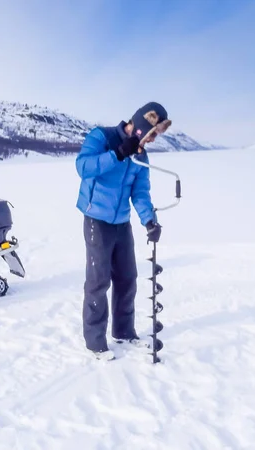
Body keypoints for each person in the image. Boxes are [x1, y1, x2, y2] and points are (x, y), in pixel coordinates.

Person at [75, 102, 172, 360]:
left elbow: (139, 192)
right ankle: (95, 342)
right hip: (96, 219)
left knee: (128, 278)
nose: (152, 140)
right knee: (98, 282)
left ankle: (124, 332)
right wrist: (117, 154)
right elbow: (83, 167)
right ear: (141, 126)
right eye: (152, 134)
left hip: (121, 222)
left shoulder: (141, 155)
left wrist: (148, 220)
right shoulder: (102, 137)